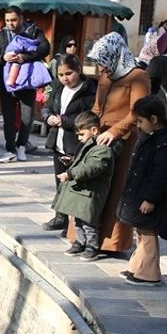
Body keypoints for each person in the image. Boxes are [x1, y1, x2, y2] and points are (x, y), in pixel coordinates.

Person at [86, 32, 151, 256]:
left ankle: (112, 242)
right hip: (100, 137)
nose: (101, 67)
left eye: (103, 61)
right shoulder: (106, 76)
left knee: (117, 190)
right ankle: (86, 237)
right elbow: (97, 107)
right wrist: (87, 128)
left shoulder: (138, 76)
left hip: (124, 140)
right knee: (93, 187)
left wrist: (115, 131)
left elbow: (137, 112)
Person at [116, 96, 167, 286]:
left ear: (154, 119)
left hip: (155, 198)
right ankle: (138, 267)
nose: (138, 126)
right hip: (142, 193)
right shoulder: (153, 138)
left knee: (148, 235)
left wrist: (150, 199)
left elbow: (162, 174)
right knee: (142, 231)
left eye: (140, 121)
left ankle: (149, 273)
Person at [39, 53, 98, 230]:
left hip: (76, 142)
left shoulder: (89, 90)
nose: (65, 78)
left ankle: (79, 224)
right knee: (60, 181)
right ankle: (60, 216)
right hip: (58, 141)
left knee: (76, 182)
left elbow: (88, 117)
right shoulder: (58, 88)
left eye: (69, 74)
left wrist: (64, 121)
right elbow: (48, 106)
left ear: (78, 71)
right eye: (61, 75)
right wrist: (47, 117)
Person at [52, 112, 120, 261]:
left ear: (94, 130)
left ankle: (92, 246)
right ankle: (79, 242)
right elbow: (82, 162)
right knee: (77, 219)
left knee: (89, 222)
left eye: (81, 134)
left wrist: (70, 174)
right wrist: (71, 161)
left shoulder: (103, 149)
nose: (79, 138)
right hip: (82, 192)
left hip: (91, 193)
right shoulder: (88, 146)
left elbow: (91, 168)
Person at [0, 6, 50, 162]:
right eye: (8, 20)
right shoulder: (2, 35)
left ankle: (21, 145)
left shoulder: (34, 31)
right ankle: (10, 150)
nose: (11, 23)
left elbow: (45, 48)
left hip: (27, 82)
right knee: (8, 119)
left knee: (27, 118)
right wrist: (3, 58)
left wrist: (26, 57)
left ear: (21, 18)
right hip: (7, 83)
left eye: (14, 20)